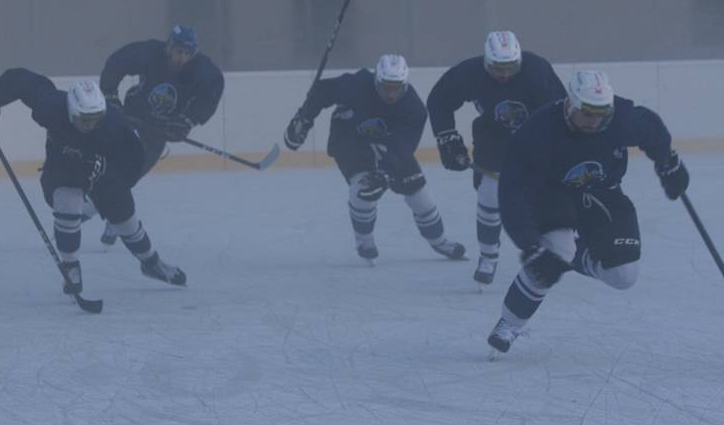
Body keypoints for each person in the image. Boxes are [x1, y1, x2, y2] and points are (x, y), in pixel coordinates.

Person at [486, 70, 689, 355]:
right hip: (552, 193)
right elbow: (512, 195)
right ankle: (509, 323)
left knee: (624, 276)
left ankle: (572, 258)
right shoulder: (538, 132)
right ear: (570, 104)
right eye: (587, 114)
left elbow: (652, 129)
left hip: (604, 190)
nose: (594, 122)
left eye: (601, 114)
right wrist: (531, 246)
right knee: (551, 254)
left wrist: (669, 163)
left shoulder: (620, 119)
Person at [0, 68, 187, 294]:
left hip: (105, 167)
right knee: (67, 202)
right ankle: (71, 267)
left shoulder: (115, 127)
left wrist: (117, 185)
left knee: (125, 220)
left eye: (95, 118)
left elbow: (134, 163)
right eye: (84, 119)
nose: (90, 124)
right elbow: (17, 80)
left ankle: (151, 263)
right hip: (63, 163)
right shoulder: (51, 106)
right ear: (70, 111)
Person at [284, 54, 466, 262]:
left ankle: (440, 241)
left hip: (389, 144)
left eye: (396, 87)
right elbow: (322, 91)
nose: (390, 93)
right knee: (362, 187)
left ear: (405, 84)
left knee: (419, 193)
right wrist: (303, 118)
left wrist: (385, 173)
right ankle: (364, 241)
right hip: (348, 136)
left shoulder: (414, 109)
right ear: (376, 80)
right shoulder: (357, 84)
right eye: (385, 86)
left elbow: (402, 147)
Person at [427, 31, 566, 286]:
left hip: (536, 135)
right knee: (489, 195)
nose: (504, 75)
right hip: (493, 138)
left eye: (510, 67)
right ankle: (488, 256)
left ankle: (552, 247)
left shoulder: (537, 71)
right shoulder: (469, 73)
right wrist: (447, 138)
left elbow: (561, 110)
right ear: (486, 63)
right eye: (497, 68)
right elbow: (439, 101)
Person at [96, 24, 225, 244]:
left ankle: (115, 215)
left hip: (160, 131)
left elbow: (210, 94)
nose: (181, 57)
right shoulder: (150, 53)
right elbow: (116, 63)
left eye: (187, 53)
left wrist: (187, 120)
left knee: (132, 174)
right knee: (115, 167)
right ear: (168, 47)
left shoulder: (204, 70)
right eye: (178, 51)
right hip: (133, 118)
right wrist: (110, 95)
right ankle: (89, 211)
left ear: (194, 53)